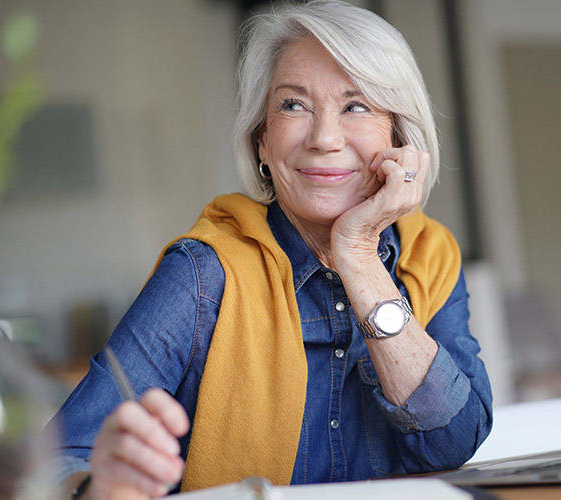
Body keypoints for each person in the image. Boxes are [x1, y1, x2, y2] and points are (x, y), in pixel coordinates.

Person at [48, 1, 493, 498]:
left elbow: (456, 439)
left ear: (399, 137)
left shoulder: (429, 256)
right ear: (262, 139)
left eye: (356, 105)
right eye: (293, 105)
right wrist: (96, 486)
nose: (324, 138)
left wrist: (360, 258)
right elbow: (59, 459)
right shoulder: (203, 276)